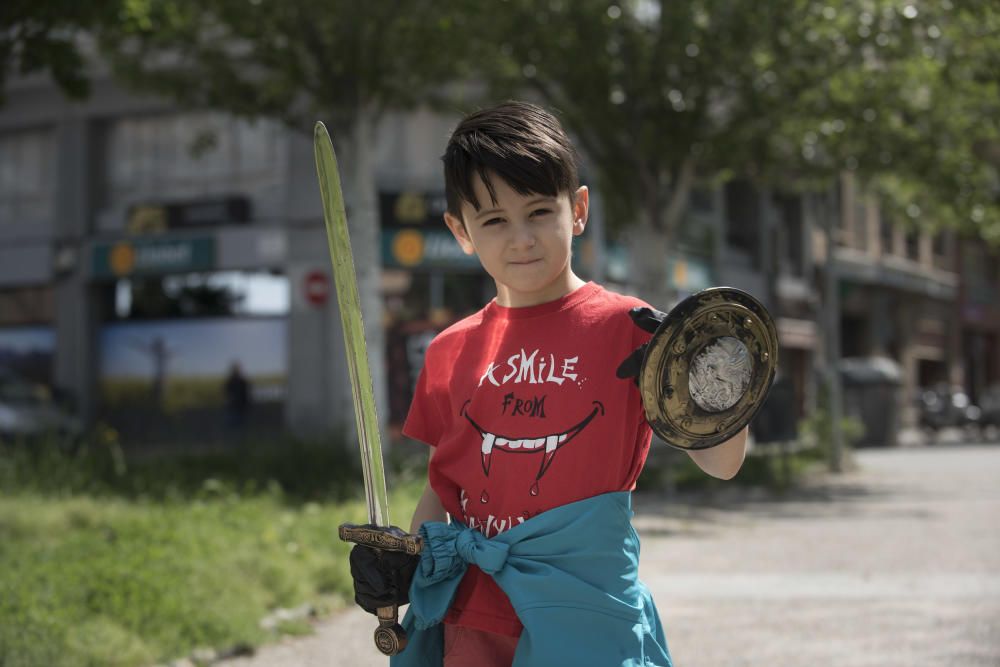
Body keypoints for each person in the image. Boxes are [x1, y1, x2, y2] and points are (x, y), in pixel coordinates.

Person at [349, 101, 749, 666]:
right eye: (494, 221)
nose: (522, 239)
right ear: (460, 231)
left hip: (587, 620)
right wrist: (405, 562)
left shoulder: (631, 328)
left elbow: (723, 463)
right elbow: (444, 488)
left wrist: (713, 379)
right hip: (471, 619)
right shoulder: (449, 350)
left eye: (539, 212)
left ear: (578, 209)